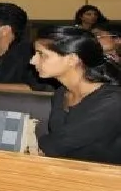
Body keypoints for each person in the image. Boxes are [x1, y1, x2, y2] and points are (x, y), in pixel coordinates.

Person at [31, 26, 121, 164]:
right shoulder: (62, 93)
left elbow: (61, 142)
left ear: (72, 59)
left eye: (42, 54)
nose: (33, 61)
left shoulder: (112, 100)